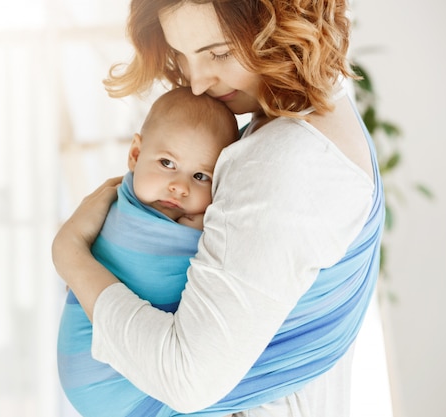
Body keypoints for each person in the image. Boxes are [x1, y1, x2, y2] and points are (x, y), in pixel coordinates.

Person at [52, 1, 385, 416]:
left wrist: (70, 255)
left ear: (279, 21)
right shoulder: (311, 113)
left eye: (219, 53)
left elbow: (186, 377)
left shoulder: (284, 160)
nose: (195, 82)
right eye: (182, 55)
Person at [57, 87, 239, 417]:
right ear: (135, 155)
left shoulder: (122, 203)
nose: (180, 187)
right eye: (167, 163)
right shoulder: (124, 212)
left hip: (115, 385)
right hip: (113, 382)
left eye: (201, 176)